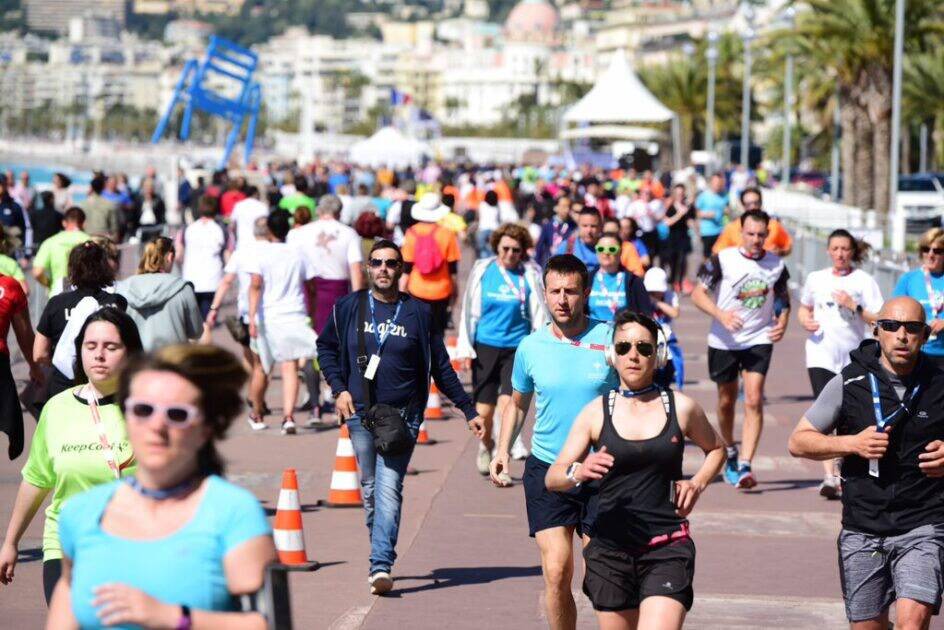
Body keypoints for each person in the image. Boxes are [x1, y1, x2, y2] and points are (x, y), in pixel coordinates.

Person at [45, 343, 277, 628]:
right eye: (143, 410)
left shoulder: (233, 513)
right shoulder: (81, 513)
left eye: (177, 414)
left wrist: (172, 617)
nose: (157, 425)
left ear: (206, 428)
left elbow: (267, 623)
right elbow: (68, 593)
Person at [317, 239, 484, 595]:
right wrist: (338, 388)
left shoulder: (418, 313)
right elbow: (326, 348)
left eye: (391, 264)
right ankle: (381, 544)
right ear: (368, 267)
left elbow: (441, 366)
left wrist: (467, 408)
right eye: (376, 263)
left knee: (389, 486)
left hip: (403, 415)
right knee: (370, 488)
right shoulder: (349, 307)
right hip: (360, 412)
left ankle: (380, 565)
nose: (383, 269)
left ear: (401, 270)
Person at [546, 310, 725, 630]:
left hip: (666, 546)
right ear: (612, 355)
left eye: (644, 348)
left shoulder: (681, 407)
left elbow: (716, 449)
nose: (633, 355)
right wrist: (579, 471)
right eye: (624, 347)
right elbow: (553, 477)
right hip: (610, 551)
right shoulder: (595, 414)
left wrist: (697, 484)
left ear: (657, 356)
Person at [788, 297, 944, 630]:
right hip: (863, 526)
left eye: (912, 328)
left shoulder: (940, 382)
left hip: (924, 524)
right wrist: (851, 443)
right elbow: (798, 441)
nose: (901, 336)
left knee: (911, 623)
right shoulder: (849, 382)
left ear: (926, 334)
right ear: (876, 331)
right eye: (891, 326)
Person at [489, 254, 619, 630]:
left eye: (571, 291)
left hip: (603, 471)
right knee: (557, 571)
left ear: (586, 292)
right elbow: (517, 404)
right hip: (549, 468)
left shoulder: (610, 338)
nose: (563, 299)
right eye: (555, 291)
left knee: (602, 576)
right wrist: (502, 451)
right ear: (544, 293)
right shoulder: (531, 347)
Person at [0, 307, 142, 604]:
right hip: (66, 546)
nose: (99, 355)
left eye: (111, 347)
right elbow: (36, 479)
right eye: (91, 346)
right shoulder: (57, 408)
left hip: (134, 545)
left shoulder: (148, 409)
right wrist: (10, 542)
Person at [691, 209, 790, 489]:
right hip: (724, 340)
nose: (756, 239)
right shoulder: (723, 259)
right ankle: (730, 449)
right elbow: (697, 294)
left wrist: (782, 321)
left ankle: (746, 463)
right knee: (726, 400)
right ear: (741, 232)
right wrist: (721, 315)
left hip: (758, 338)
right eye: (750, 234)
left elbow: (782, 300)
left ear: (767, 235)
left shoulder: (776, 265)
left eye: (761, 234)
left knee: (753, 399)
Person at [798, 229, 884, 499]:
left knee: (849, 416)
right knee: (825, 414)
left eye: (845, 249)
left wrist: (854, 306)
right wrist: (804, 320)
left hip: (853, 357)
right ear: (827, 250)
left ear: (852, 252)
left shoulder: (864, 281)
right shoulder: (816, 278)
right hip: (821, 353)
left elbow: (879, 320)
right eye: (835, 248)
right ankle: (830, 477)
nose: (840, 254)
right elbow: (804, 307)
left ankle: (844, 470)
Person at [456, 223, 547, 473]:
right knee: (483, 412)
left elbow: (539, 311)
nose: (510, 254)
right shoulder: (483, 270)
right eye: (505, 248)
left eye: (516, 250)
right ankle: (486, 445)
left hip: (517, 348)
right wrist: (465, 348)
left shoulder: (530, 273)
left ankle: (501, 455)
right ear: (496, 246)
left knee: (510, 405)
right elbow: (468, 311)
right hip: (485, 345)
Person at [248, 211, 320, 434]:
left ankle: (257, 411)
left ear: (269, 230)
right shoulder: (298, 253)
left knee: (263, 368)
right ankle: (288, 417)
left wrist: (251, 317)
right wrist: (312, 309)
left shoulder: (261, 254)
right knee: (290, 365)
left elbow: (256, 285)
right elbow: (310, 286)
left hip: (269, 315)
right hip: (294, 313)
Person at [34, 241, 129, 401]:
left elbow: (39, 354)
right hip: (105, 385)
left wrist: (63, 362)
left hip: (64, 387)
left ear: (72, 268)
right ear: (104, 267)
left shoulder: (56, 303)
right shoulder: (118, 302)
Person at [117, 237, 204, 351]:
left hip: (137, 360)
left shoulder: (124, 287)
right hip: (174, 358)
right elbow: (196, 332)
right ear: (170, 257)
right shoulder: (182, 287)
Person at [401, 193, 462, 337]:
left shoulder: (411, 232)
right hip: (441, 290)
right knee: (437, 333)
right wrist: (455, 291)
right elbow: (452, 267)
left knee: (418, 332)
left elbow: (407, 267)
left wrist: (401, 291)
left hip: (417, 289)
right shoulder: (447, 233)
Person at [0, 271, 43, 460]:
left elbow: (24, 335)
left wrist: (35, 367)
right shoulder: (9, 286)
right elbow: (25, 335)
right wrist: (35, 368)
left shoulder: (10, 286)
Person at [893, 227, 944, 368]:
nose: (931, 254)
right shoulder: (909, 279)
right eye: (926, 249)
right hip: (919, 352)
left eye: (937, 250)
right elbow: (894, 314)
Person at [178, 195, 228, 319]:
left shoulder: (187, 229)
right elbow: (228, 256)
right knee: (207, 321)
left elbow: (179, 255)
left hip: (190, 277)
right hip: (212, 278)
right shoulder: (221, 229)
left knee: (192, 322)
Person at [587, 233, 652, 323]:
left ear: (620, 251)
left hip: (624, 334)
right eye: (601, 249)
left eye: (612, 249)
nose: (606, 253)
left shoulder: (634, 281)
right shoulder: (587, 279)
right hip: (593, 335)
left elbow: (646, 315)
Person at [711, 187, 793, 257]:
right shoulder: (732, 228)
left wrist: (780, 252)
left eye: (756, 203)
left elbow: (787, 246)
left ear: (761, 203)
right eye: (748, 204)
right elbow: (717, 253)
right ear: (743, 206)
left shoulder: (774, 226)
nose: (753, 207)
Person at [32, 207, 92, 296]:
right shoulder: (90, 241)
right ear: (83, 223)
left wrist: (49, 284)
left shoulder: (51, 242)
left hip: (57, 294)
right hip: (84, 296)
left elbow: (37, 272)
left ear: (64, 223)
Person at [645, 267, 685, 390]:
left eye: (658, 290)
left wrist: (656, 303)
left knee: (666, 376)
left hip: (667, 342)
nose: (656, 293)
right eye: (652, 291)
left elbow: (674, 313)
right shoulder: (643, 296)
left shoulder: (670, 296)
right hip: (649, 342)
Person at [661, 183, 694, 293]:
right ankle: (672, 281)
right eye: (677, 193)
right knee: (673, 261)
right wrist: (679, 214)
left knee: (683, 260)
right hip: (673, 237)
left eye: (681, 193)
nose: (680, 195)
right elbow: (667, 222)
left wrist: (692, 224)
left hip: (684, 237)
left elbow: (691, 220)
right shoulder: (670, 206)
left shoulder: (688, 206)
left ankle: (679, 282)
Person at [557, 207, 604, 275]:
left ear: (600, 227)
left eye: (593, 226)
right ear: (578, 225)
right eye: (585, 226)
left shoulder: (608, 248)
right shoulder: (567, 247)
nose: (589, 230)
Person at [535, 196, 575, 268]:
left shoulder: (572, 226)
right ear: (556, 207)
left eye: (569, 207)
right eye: (563, 206)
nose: (567, 210)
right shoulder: (548, 225)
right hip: (548, 263)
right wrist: (537, 264)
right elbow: (540, 246)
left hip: (565, 264)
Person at [695, 173, 727, 258]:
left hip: (721, 230)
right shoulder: (703, 196)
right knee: (707, 256)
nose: (717, 185)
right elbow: (696, 213)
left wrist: (727, 212)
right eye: (715, 182)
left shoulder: (724, 195)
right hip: (707, 231)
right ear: (711, 182)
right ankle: (705, 271)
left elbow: (727, 210)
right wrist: (706, 214)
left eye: (719, 183)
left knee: (719, 255)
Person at [229, 186, 269, 251]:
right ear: (256, 194)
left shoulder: (239, 205)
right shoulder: (262, 206)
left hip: (242, 243)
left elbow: (232, 225)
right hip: (259, 244)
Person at [80, 175, 118, 240]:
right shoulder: (109, 204)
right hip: (102, 238)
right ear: (104, 187)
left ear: (91, 187)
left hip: (86, 237)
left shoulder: (83, 204)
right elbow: (114, 227)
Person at [129, 177, 166, 243]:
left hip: (155, 227)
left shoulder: (158, 200)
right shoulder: (138, 199)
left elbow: (162, 215)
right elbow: (134, 215)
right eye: (146, 187)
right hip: (141, 228)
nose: (148, 189)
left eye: (150, 187)